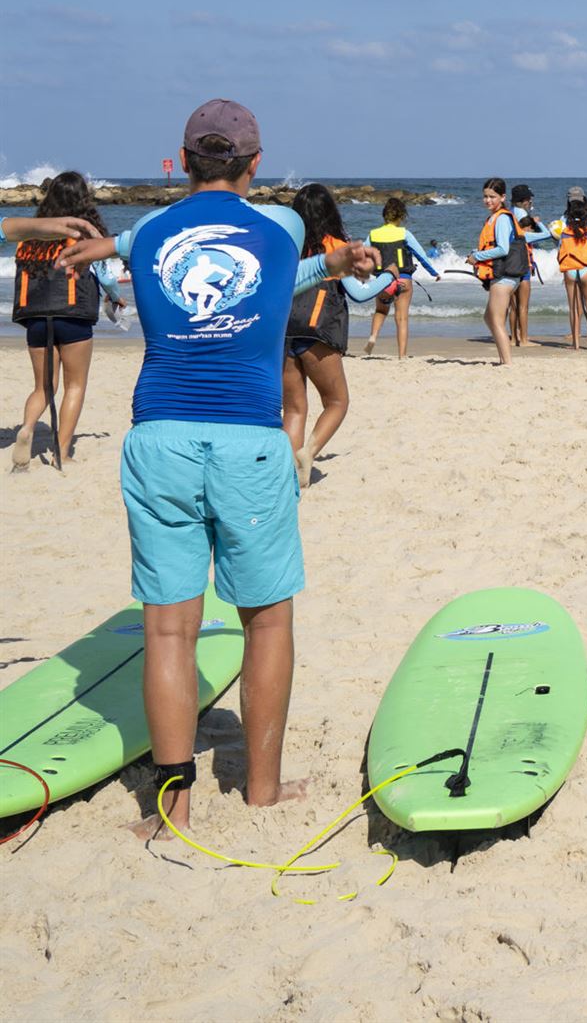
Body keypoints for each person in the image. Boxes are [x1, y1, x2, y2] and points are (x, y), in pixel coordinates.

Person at [58, 99, 378, 834]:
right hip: (248, 442)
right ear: (255, 163)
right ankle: (261, 789)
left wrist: (96, 248)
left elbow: (138, 246)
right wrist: (334, 259)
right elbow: (276, 272)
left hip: (160, 436)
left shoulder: (147, 238)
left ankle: (174, 806)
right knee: (267, 622)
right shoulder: (283, 224)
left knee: (168, 630)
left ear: (182, 157)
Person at [284, 184, 395, 488]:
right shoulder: (336, 247)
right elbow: (359, 293)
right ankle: (309, 452)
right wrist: (388, 276)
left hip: (284, 332)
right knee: (337, 401)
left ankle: (289, 473)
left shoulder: (289, 246)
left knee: (294, 407)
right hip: (319, 331)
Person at [11, 171, 122, 469]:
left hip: (35, 317)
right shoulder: (84, 233)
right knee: (75, 385)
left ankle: (28, 427)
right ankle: (62, 453)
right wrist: (115, 296)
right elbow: (107, 274)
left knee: (44, 387)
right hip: (73, 314)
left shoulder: (31, 235)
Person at [362, 196, 440, 359]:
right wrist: (434, 273)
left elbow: (362, 255)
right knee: (402, 317)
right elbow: (421, 255)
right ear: (402, 216)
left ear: (384, 216)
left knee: (380, 310)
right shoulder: (404, 233)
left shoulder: (373, 234)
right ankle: (402, 355)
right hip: (403, 280)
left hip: (382, 281)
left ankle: (373, 336)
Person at [468, 177, 527, 364]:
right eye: (485, 196)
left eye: (492, 197)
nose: (488, 200)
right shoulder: (493, 218)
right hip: (501, 276)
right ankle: (503, 359)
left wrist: (477, 257)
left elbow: (503, 249)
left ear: (502, 197)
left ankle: (507, 362)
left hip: (504, 277)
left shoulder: (501, 218)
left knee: (497, 321)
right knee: (489, 317)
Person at [551, 190, 587, 350]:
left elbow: (559, 250)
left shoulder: (565, 230)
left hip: (570, 270)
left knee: (573, 306)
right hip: (586, 268)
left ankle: (575, 343)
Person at [508, 184, 550, 347]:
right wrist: (537, 223)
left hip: (508, 261)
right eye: (528, 199)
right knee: (523, 305)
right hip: (522, 262)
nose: (530, 201)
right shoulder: (523, 216)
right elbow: (546, 235)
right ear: (523, 201)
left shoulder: (509, 212)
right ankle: (524, 340)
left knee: (513, 305)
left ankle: (513, 338)